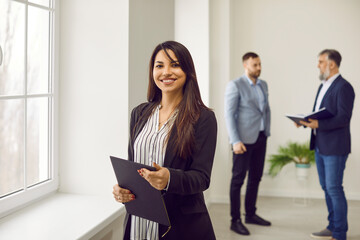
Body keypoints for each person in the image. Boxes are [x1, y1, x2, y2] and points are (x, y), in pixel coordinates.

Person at [112, 41, 217, 240]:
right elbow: (134, 166)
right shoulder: (139, 113)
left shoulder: (203, 118)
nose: (166, 72)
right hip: (138, 223)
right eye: (159, 66)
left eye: (175, 65)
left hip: (180, 226)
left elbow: (202, 178)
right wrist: (122, 189)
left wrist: (169, 178)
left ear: (188, 72)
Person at [298, 49, 355, 240]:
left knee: (334, 188)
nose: (318, 65)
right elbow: (321, 112)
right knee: (327, 187)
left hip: (335, 148)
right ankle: (332, 227)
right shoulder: (323, 85)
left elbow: (343, 118)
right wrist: (305, 121)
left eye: (321, 61)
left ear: (332, 64)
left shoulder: (344, 87)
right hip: (321, 145)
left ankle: (339, 234)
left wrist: (318, 124)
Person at [224, 52, 271, 236]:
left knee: (255, 178)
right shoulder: (235, 85)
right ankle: (235, 220)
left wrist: (266, 131)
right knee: (238, 180)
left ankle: (250, 214)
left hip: (260, 136)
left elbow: (264, 110)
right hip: (242, 141)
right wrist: (235, 140)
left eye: (259, 64)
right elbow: (229, 114)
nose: (258, 68)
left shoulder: (263, 84)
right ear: (245, 65)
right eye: (254, 65)